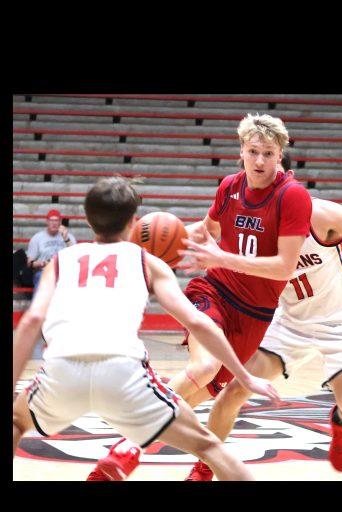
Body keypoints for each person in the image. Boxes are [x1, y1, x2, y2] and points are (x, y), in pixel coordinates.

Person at [85, 112, 313, 481]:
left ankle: (184, 462)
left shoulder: (293, 196)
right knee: (204, 367)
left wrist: (223, 257)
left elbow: (284, 267)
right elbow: (206, 231)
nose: (259, 161)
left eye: (268, 154)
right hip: (215, 292)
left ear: (280, 156)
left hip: (254, 314)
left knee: (194, 397)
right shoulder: (229, 187)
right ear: (241, 151)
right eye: (253, 152)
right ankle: (123, 451)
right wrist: (144, 248)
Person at [12, 177, 280, 482]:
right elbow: (197, 322)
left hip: (62, 370)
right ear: (133, 222)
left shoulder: (61, 260)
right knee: (209, 447)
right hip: (124, 374)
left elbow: (31, 321)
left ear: (87, 219)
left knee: (17, 423)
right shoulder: (147, 262)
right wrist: (244, 376)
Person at [180, 196, 342, 479]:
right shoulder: (257, 224)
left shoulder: (320, 213)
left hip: (339, 323)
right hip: (288, 323)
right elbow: (209, 229)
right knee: (233, 392)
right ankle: (204, 469)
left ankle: (340, 420)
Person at [26, 209, 76, 293]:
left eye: (56, 220)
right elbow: (29, 263)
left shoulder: (69, 237)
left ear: (60, 222)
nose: (54, 223)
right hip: (44, 272)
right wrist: (42, 263)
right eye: (51, 220)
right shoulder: (37, 238)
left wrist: (66, 239)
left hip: (64, 273)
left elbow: (77, 256)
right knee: (42, 279)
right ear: (47, 222)